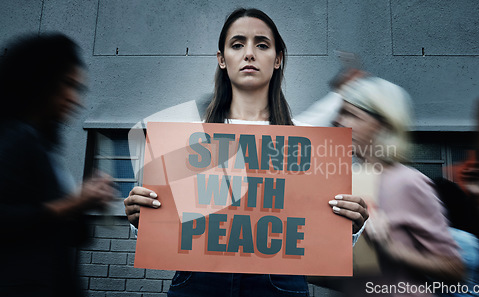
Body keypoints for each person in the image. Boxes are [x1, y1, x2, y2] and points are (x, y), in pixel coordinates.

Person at [124, 8, 368, 297]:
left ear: (277, 59)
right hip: (198, 281)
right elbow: (172, 224)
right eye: (237, 44)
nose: (249, 53)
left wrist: (352, 226)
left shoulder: (309, 140)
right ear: (221, 59)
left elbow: (320, 231)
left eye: (262, 45)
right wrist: (142, 218)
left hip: (280, 282)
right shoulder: (189, 138)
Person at [0, 33, 116, 297]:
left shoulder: (43, 144)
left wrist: (85, 202)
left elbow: (73, 235)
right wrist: (74, 204)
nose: (75, 99)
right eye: (67, 84)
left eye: (78, 89)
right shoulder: (15, 138)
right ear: (40, 81)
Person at [332, 77, 465, 297]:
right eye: (340, 113)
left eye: (351, 114)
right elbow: (361, 275)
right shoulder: (352, 180)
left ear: (383, 124)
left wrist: (392, 250)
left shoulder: (407, 182)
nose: (338, 121)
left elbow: (455, 269)